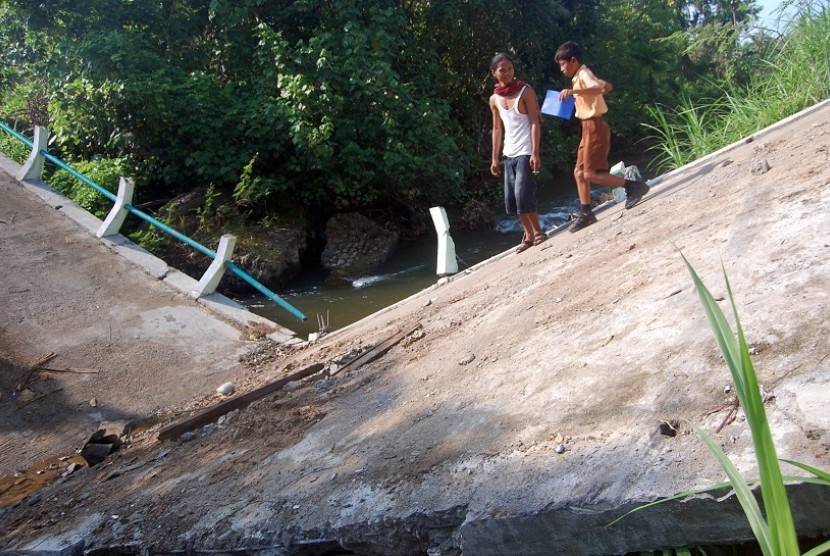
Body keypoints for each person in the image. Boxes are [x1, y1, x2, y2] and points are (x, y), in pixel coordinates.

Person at [555, 41, 650, 233]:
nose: (562, 68)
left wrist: (574, 92)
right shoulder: (579, 76)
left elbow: (597, 89)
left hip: (595, 126)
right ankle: (586, 212)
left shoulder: (582, 74)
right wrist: (600, 87)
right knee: (579, 173)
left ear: (573, 60)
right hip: (586, 127)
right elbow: (605, 86)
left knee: (590, 174)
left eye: (563, 64)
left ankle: (634, 187)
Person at [489, 52, 546, 254]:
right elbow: (497, 129)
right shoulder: (494, 99)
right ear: (494, 73)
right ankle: (529, 235)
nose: (507, 73)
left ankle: (538, 232)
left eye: (510, 68)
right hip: (508, 153)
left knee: (523, 192)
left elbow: (533, 121)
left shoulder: (525, 91)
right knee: (512, 199)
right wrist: (494, 158)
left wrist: (535, 152)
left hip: (525, 149)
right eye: (502, 70)